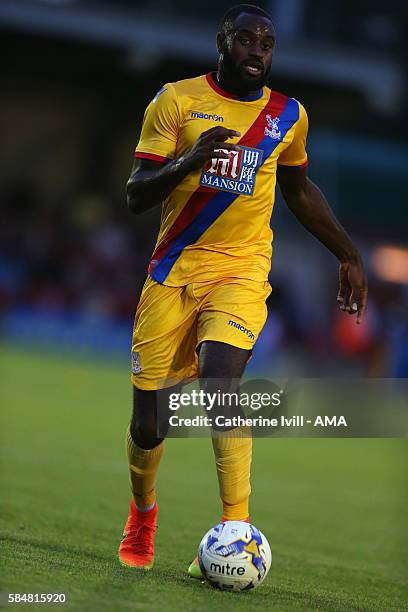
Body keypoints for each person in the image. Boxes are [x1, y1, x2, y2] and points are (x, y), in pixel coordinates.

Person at [118, 3, 368, 576]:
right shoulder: (176, 101)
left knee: (221, 382)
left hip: (243, 271)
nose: (258, 51)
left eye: (267, 43)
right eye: (246, 40)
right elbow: (136, 193)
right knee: (149, 422)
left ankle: (237, 528)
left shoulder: (288, 115)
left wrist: (349, 253)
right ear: (222, 42)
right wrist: (189, 160)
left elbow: (300, 191)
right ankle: (143, 513)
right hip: (173, 272)